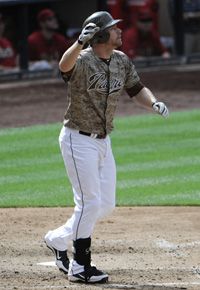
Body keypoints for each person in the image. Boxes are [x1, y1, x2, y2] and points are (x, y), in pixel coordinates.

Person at [44, 11, 169, 284]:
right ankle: (80, 266)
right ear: (99, 34)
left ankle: (56, 239)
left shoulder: (121, 60)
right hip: (78, 140)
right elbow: (64, 67)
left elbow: (137, 89)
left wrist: (154, 103)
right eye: (113, 28)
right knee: (89, 203)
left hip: (103, 141)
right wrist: (79, 43)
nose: (119, 31)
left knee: (105, 204)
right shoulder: (83, 60)